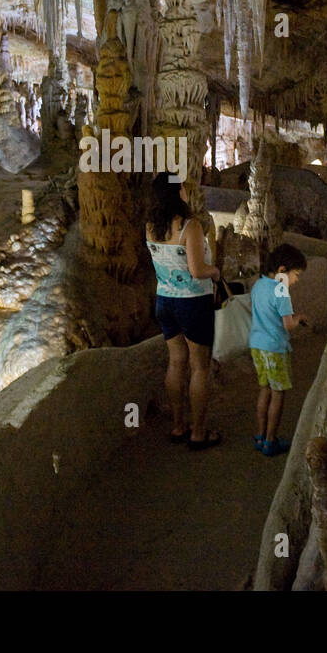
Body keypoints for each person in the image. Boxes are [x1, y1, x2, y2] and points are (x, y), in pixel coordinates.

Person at [146, 172, 223, 451]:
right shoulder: (189, 226)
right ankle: (199, 433)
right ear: (176, 193)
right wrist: (214, 272)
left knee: (176, 362)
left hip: (164, 301)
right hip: (192, 302)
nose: (185, 192)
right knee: (199, 366)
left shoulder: (151, 226)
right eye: (182, 188)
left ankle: (178, 426)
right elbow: (197, 270)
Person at [249, 243, 308, 457]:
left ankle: (260, 435)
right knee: (278, 393)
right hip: (274, 348)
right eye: (296, 275)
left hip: (256, 345)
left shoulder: (258, 285)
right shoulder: (280, 290)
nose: (296, 280)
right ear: (282, 270)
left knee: (264, 390)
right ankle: (271, 440)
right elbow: (287, 324)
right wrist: (299, 318)